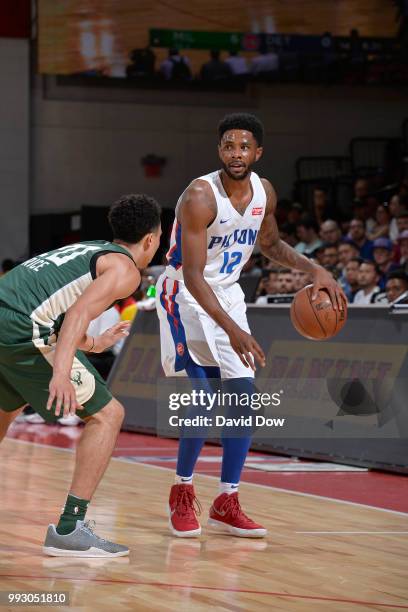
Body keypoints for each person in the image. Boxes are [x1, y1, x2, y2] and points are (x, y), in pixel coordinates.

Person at [156, 112, 344, 538]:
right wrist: (235, 331)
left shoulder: (265, 193)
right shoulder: (200, 196)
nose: (235, 153)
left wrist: (316, 269)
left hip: (226, 295)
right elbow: (192, 275)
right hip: (185, 294)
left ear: (257, 152)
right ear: (219, 150)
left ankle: (227, 499)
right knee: (203, 400)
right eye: (228, 145)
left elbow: (271, 244)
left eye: (243, 146)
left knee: (243, 398)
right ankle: (182, 491)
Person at [0, 194, 161, 556]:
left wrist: (93, 343)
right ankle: (70, 528)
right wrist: (60, 371)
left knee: (5, 412)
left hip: (6, 319)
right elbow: (74, 315)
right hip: (22, 330)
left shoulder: (89, 248)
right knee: (108, 415)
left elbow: (57, 308)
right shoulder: (126, 270)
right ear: (151, 239)